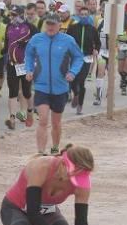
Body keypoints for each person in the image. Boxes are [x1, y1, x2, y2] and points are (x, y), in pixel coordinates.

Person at [24, 13, 84, 155]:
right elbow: (28, 55)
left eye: (53, 24)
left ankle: (55, 148)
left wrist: (73, 72)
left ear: (59, 25)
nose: (50, 27)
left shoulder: (68, 40)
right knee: (43, 120)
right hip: (41, 86)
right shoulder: (36, 39)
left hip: (60, 87)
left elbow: (78, 57)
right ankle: (40, 152)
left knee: (56, 123)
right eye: (48, 24)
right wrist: (29, 70)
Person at [3, 5, 36, 129]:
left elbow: (38, 41)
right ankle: (12, 118)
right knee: (13, 91)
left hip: (26, 64)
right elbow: (7, 43)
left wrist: (27, 42)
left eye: (15, 15)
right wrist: (4, 50)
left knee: (27, 92)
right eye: (11, 14)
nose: (12, 17)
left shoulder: (30, 27)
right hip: (12, 64)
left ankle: (30, 112)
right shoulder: (9, 26)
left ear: (22, 15)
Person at [66, 6, 101, 114]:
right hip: (74, 58)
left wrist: (96, 50)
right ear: (78, 15)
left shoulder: (93, 29)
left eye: (86, 14)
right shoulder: (72, 28)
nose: (84, 16)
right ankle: (76, 94)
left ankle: (80, 105)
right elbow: (66, 41)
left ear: (89, 16)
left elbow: (98, 43)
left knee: (81, 81)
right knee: (72, 80)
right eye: (82, 14)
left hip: (87, 58)